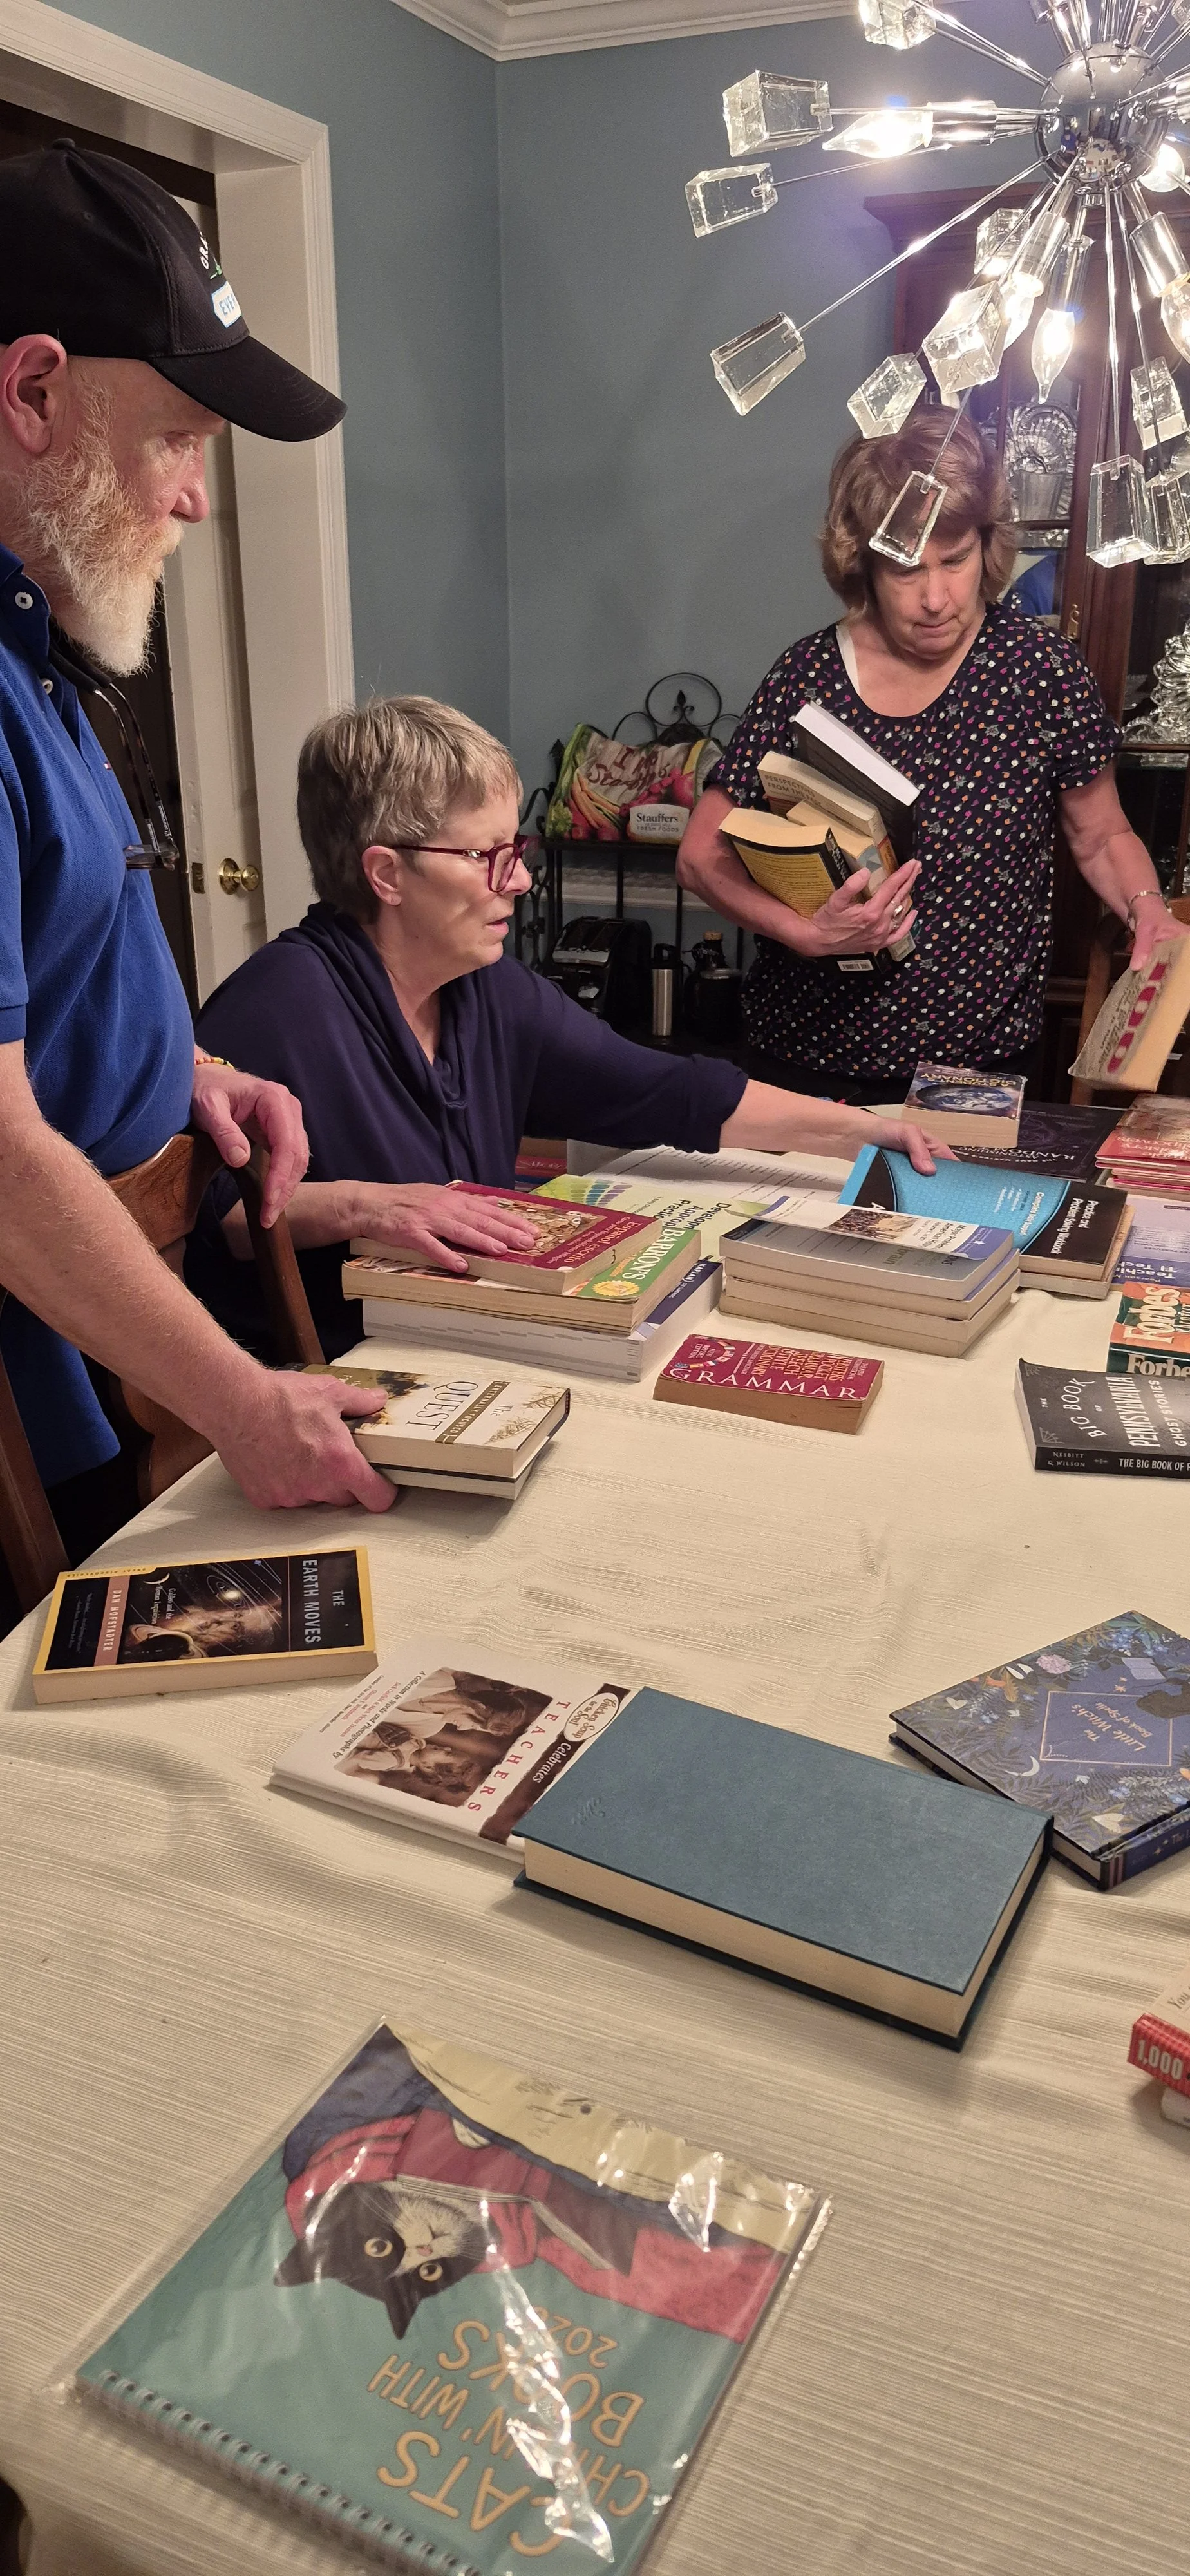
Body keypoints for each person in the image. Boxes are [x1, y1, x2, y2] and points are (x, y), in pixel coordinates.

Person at [0, 140, 399, 1566]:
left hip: (96, 1352)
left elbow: (50, 982)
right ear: (33, 391)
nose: (195, 501)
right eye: (179, 438)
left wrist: (188, 1069)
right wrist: (245, 1401)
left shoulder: (38, 659)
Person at [189, 696, 943, 1361]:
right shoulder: (276, 1007)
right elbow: (211, 1220)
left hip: (467, 1340)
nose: (520, 879)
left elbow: (669, 1091)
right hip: (333, 1375)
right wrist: (368, 1205)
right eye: (487, 856)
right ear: (386, 873)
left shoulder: (488, 991)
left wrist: (860, 1132)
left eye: (515, 850)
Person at [678, 411, 1189, 1103]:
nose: (937, 599)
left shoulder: (1040, 670)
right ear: (864, 562)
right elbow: (699, 857)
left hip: (976, 1070)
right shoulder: (805, 677)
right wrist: (805, 933)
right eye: (906, 569)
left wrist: (1146, 906)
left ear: (988, 545)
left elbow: (1101, 836)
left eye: (956, 560)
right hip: (806, 1060)